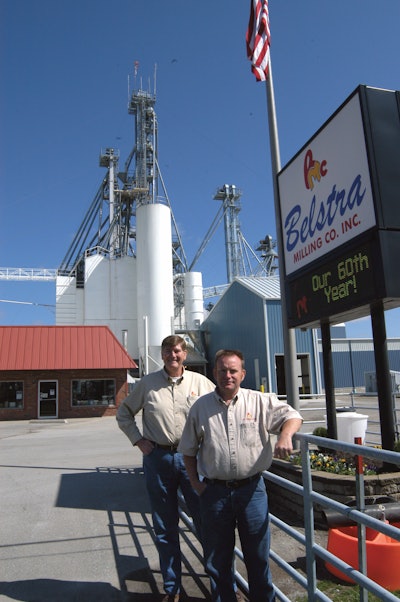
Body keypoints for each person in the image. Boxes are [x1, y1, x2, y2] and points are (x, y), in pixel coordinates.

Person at [178, 349, 303, 602]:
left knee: (257, 556)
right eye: (222, 370)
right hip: (214, 494)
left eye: (233, 370)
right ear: (214, 373)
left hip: (252, 491)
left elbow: (293, 415)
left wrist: (285, 435)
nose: (227, 375)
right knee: (217, 559)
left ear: (242, 374)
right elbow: (188, 451)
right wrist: (195, 484)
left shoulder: (259, 401)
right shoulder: (200, 407)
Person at [116, 335, 215, 602]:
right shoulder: (147, 384)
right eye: (169, 351)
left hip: (192, 461)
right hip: (158, 460)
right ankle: (172, 588)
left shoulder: (201, 383)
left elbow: (221, 409)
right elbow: (123, 412)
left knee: (205, 521)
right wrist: (137, 439)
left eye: (179, 351)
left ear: (185, 354)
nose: (174, 355)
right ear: (162, 355)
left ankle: (219, 585)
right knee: (164, 526)